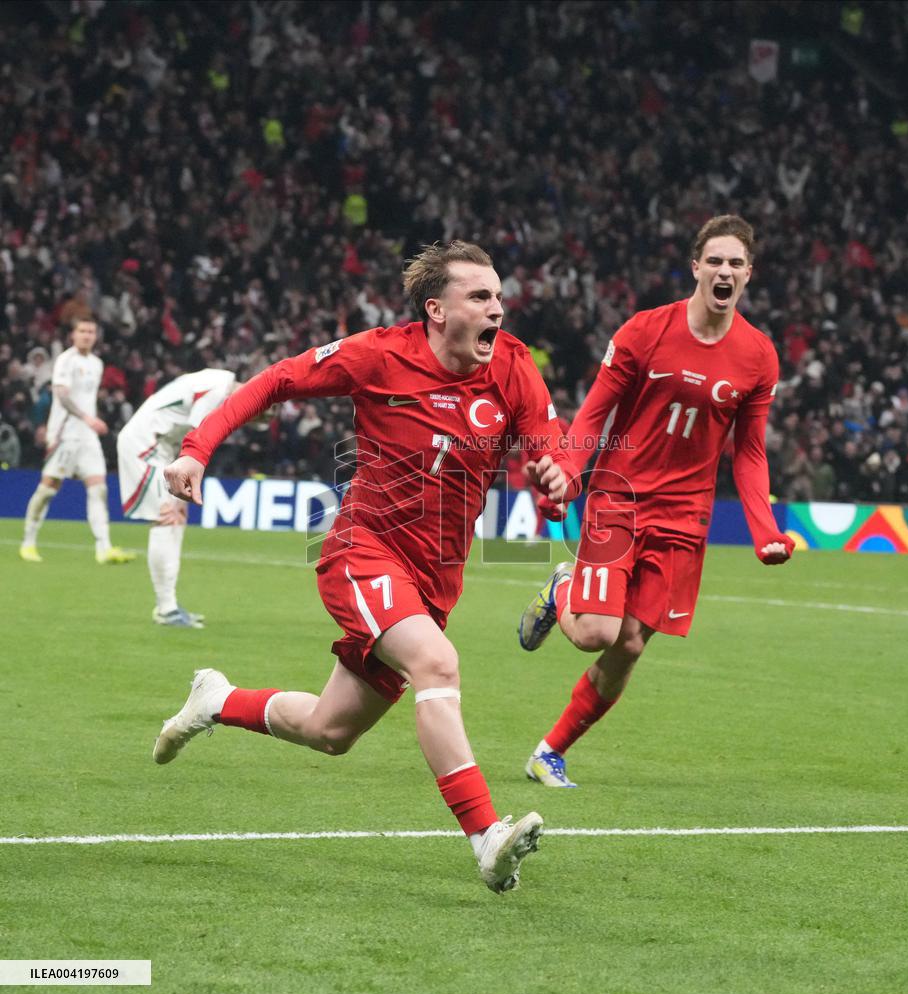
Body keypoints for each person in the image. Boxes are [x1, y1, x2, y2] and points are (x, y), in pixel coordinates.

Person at [153, 241, 579, 893]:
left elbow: (555, 458)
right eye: (481, 297)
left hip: (435, 579)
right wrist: (196, 451)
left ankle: (217, 701)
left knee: (331, 730)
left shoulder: (515, 368)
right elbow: (275, 382)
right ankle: (487, 837)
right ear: (436, 309)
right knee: (438, 664)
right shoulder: (380, 355)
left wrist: (558, 477)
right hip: (364, 551)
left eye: (498, 296)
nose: (499, 308)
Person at [518, 215, 794, 788]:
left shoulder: (759, 357)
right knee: (596, 632)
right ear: (696, 267)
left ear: (749, 274)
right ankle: (562, 587)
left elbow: (748, 452)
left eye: (735, 263)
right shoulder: (646, 331)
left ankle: (548, 752)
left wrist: (764, 528)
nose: (724, 271)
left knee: (632, 643)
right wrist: (570, 471)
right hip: (619, 498)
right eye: (714, 260)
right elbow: (595, 413)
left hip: (683, 518)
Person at [117, 368, 237, 628]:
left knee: (176, 518)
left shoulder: (219, 378)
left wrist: (181, 497)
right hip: (145, 445)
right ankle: (165, 608)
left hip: (161, 447)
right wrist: (181, 495)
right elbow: (194, 436)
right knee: (166, 518)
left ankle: (169, 605)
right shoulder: (218, 391)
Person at [19, 317, 136, 565]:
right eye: (82, 331)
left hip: (87, 436)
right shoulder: (66, 360)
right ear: (73, 335)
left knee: (98, 488)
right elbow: (61, 395)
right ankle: (28, 542)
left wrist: (90, 422)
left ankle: (103, 549)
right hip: (65, 434)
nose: (87, 335)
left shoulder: (97, 363)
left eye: (91, 331)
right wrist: (87, 418)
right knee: (48, 489)